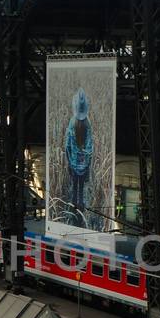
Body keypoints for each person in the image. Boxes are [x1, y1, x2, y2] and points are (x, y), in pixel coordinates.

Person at [65, 87, 94, 220]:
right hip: (84, 164)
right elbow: (90, 148)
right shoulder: (88, 123)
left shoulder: (72, 122)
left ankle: (73, 209)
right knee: (81, 187)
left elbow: (67, 146)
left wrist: (70, 161)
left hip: (73, 163)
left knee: (74, 186)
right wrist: (86, 162)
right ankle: (80, 209)